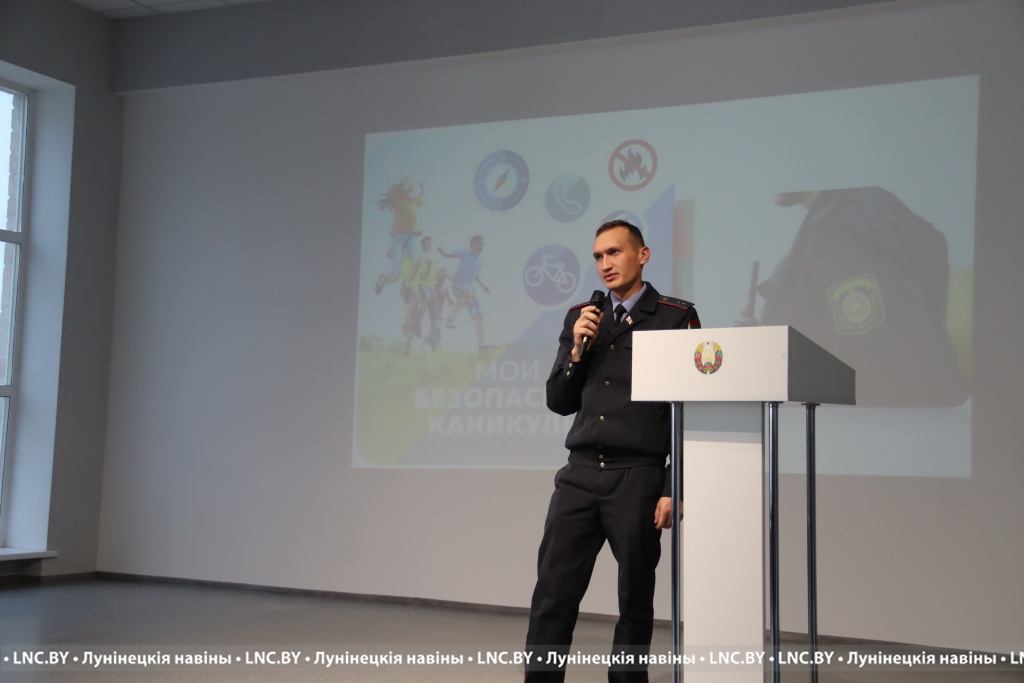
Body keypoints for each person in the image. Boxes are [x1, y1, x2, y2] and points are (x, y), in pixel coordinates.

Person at [524, 219, 700, 683]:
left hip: (637, 476)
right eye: (599, 256)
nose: (605, 264)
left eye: (615, 252)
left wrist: (673, 485)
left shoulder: (675, 317)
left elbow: (688, 412)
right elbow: (558, 401)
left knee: (634, 600)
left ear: (642, 255)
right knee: (553, 595)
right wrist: (578, 351)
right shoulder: (583, 316)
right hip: (579, 475)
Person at [439, 235, 490, 352]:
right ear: (471, 246)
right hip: (458, 283)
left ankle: (481, 345)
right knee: (468, 292)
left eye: (481, 245)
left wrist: (483, 286)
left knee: (478, 315)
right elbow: (448, 256)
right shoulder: (464, 254)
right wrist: (441, 252)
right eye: (476, 244)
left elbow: (474, 275)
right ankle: (450, 318)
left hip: (469, 288)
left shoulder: (480, 261)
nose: (479, 247)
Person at [374, 177, 424, 295]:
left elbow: (421, 199)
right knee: (396, 276)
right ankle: (382, 280)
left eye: (411, 183)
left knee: (416, 260)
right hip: (400, 237)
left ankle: (407, 285)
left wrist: (422, 188)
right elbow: (392, 187)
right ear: (401, 187)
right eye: (407, 183)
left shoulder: (413, 201)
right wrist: (400, 185)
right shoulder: (398, 195)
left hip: (412, 236)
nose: (410, 184)